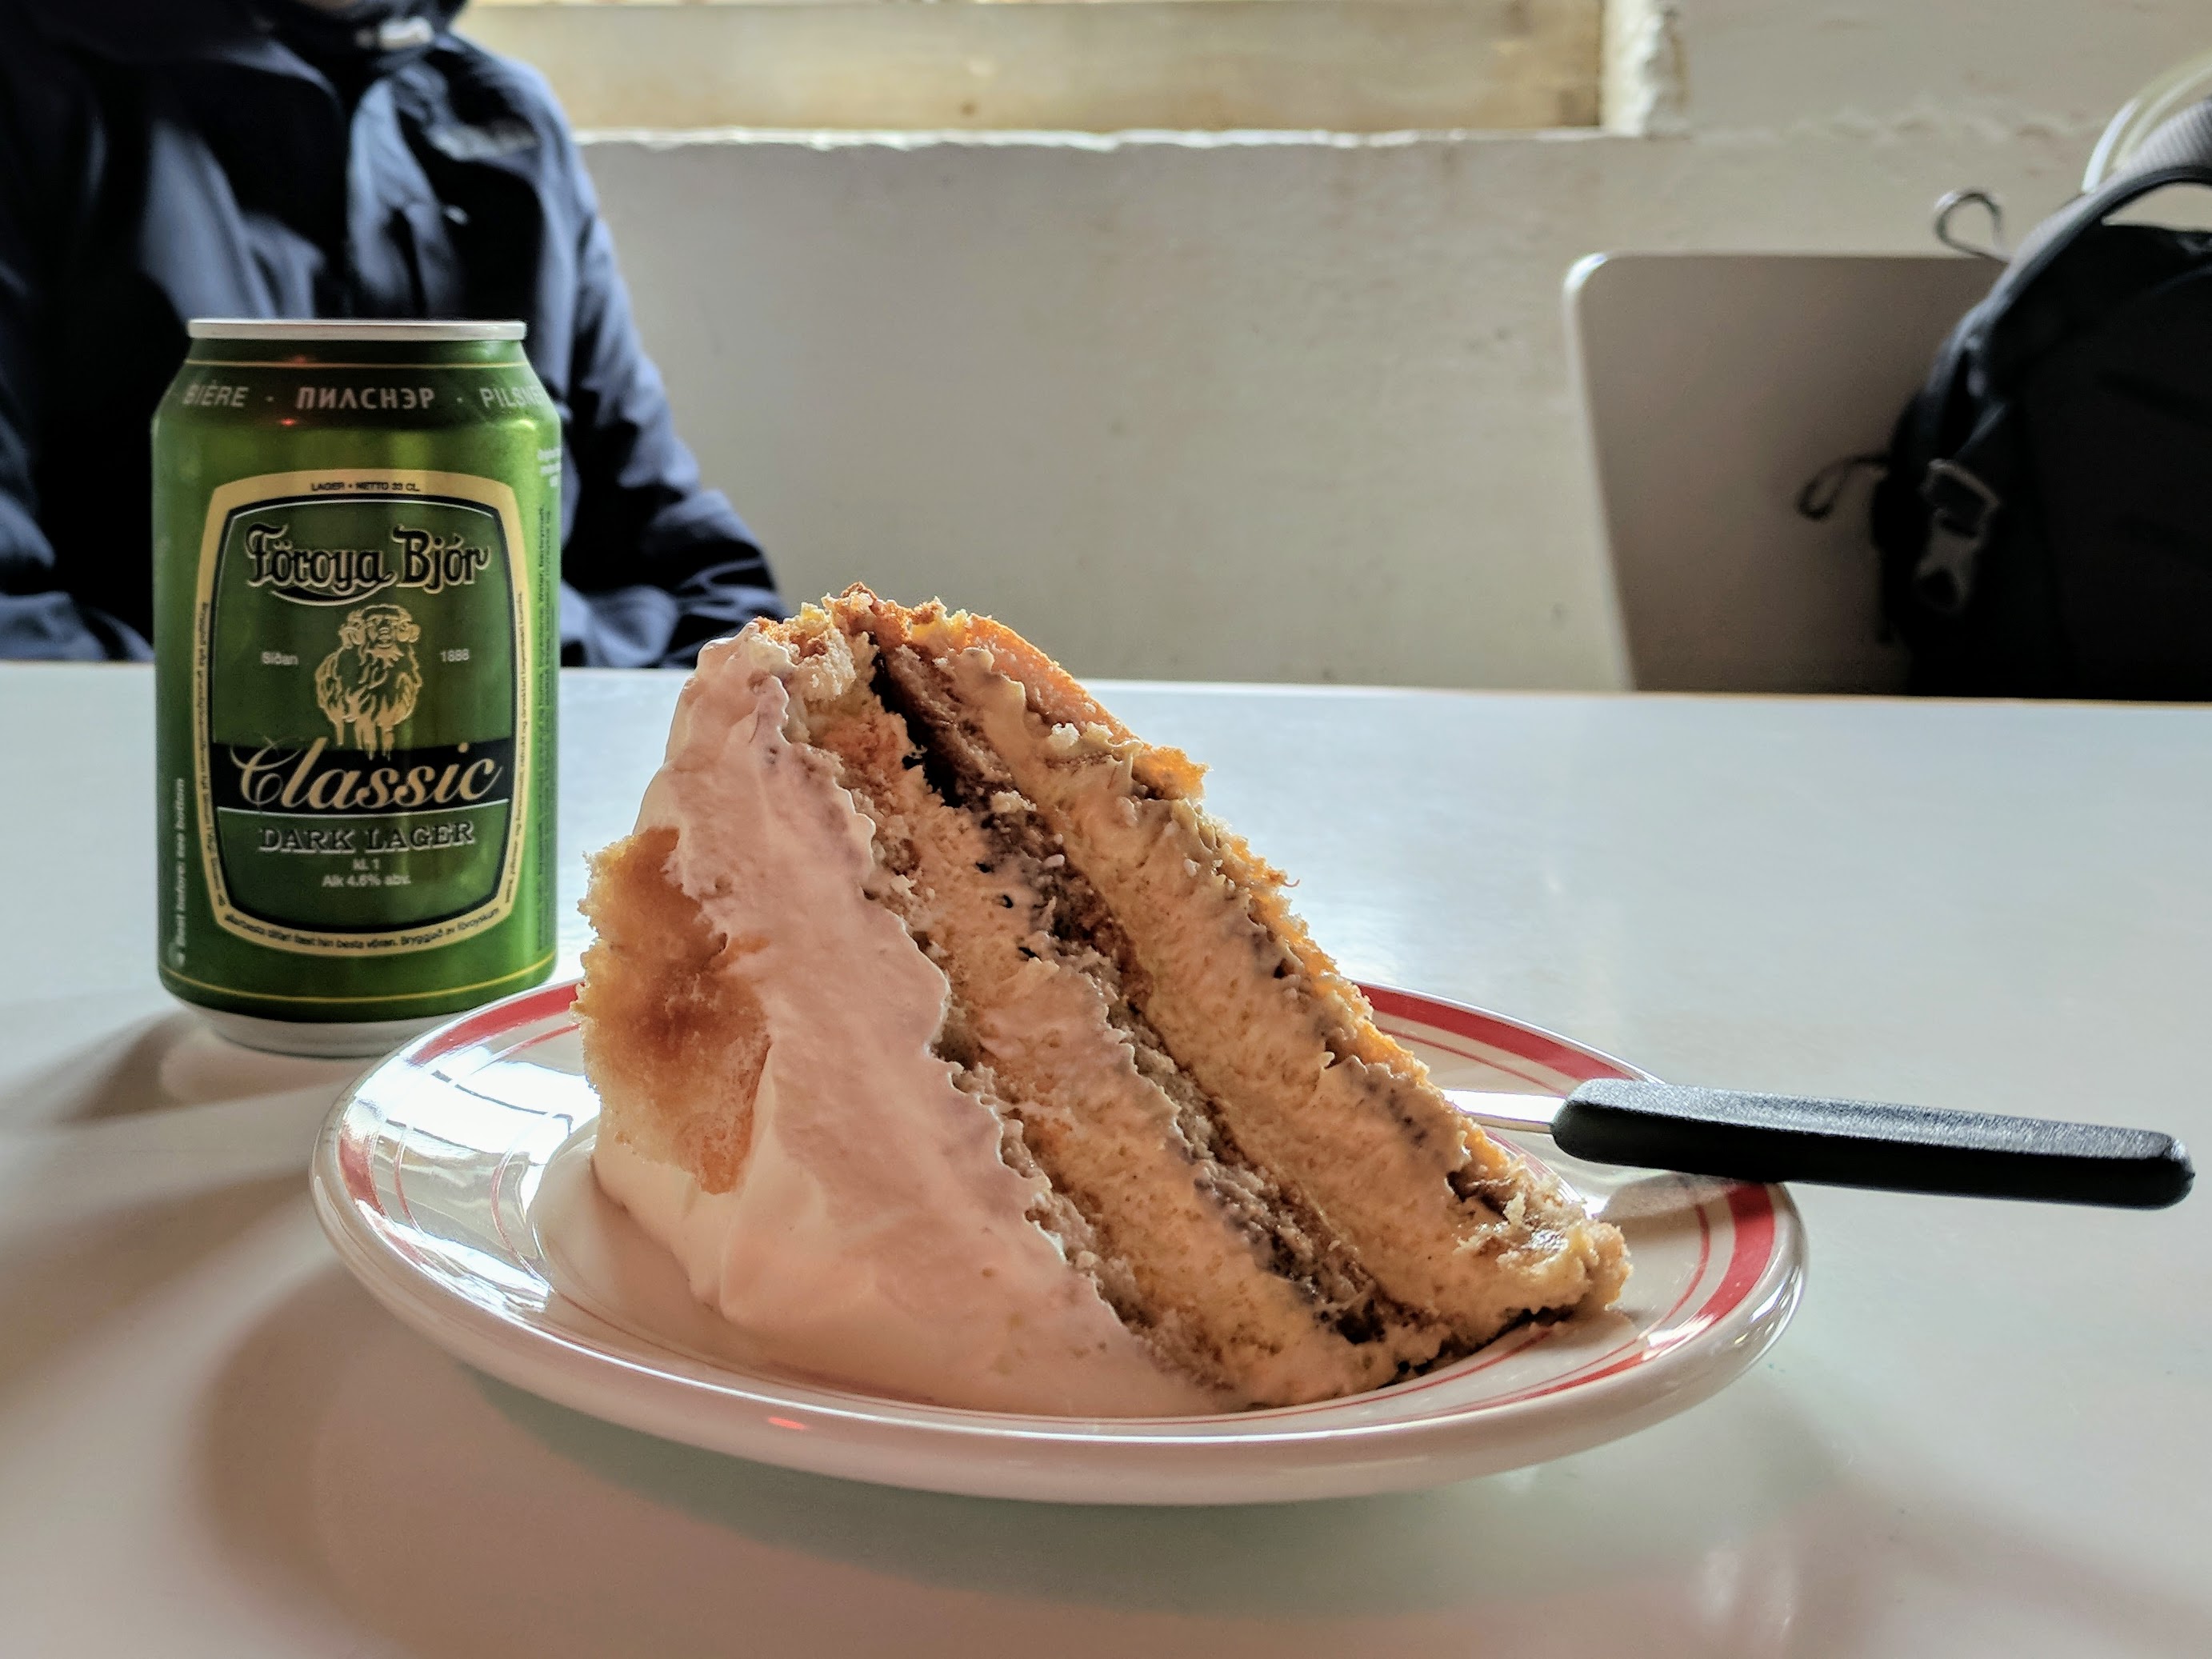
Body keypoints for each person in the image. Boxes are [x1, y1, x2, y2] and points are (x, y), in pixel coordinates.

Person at [0, 0, 781, 665]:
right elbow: (16, 626)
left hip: (558, 751)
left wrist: (711, 750)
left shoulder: (506, 119)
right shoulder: (34, 88)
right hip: (181, 775)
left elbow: (691, 566)